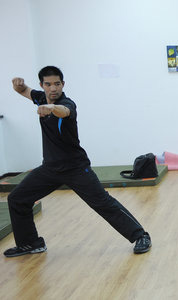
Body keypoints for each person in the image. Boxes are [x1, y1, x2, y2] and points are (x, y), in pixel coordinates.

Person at [4, 66, 151, 257]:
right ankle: (30, 244)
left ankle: (141, 236)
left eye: (57, 84)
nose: (53, 88)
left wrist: (51, 108)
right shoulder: (41, 97)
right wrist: (19, 85)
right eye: (48, 84)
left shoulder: (66, 103)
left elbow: (64, 111)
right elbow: (24, 91)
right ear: (42, 85)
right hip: (50, 168)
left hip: (76, 168)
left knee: (103, 203)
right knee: (17, 199)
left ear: (63, 84)